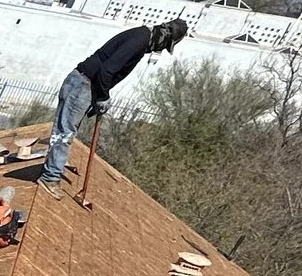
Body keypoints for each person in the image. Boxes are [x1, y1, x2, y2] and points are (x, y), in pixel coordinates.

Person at [38, 18, 189, 187]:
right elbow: (107, 70)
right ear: (164, 36)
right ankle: (50, 177)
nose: (161, 50)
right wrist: (103, 97)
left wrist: (98, 97)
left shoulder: (141, 39)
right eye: (165, 45)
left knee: (67, 130)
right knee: (65, 131)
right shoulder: (140, 40)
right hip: (83, 84)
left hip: (86, 85)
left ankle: (52, 168)